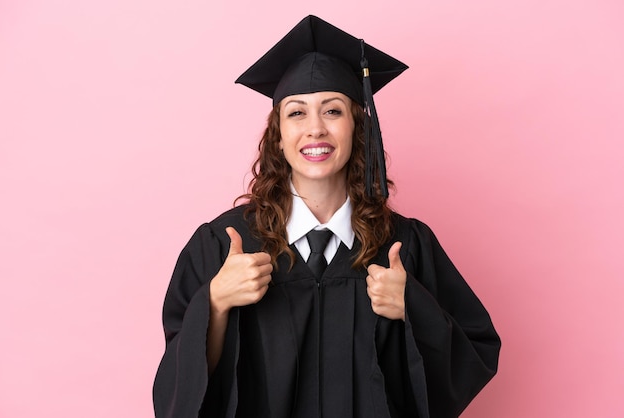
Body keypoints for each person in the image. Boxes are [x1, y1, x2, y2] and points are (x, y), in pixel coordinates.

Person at [153, 15, 500, 418]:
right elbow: (177, 393)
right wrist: (214, 304)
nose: (315, 129)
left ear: (357, 126)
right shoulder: (223, 245)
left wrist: (413, 307)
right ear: (278, 136)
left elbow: (472, 360)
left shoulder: (404, 244)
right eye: (297, 113)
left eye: (332, 111)